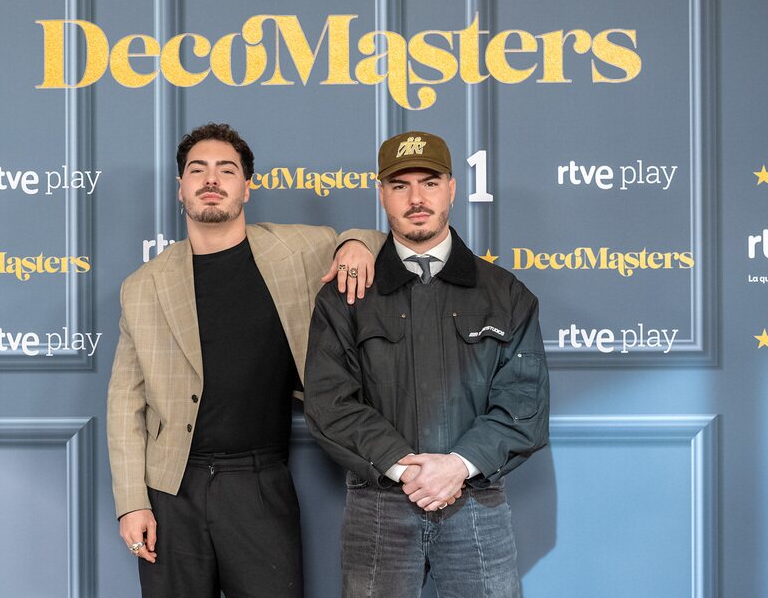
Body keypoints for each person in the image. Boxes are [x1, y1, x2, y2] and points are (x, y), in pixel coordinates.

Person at [107, 122, 382, 598]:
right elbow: (124, 404)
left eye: (226, 170)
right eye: (198, 170)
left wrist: (355, 245)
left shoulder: (295, 250)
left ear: (247, 187)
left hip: (261, 482)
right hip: (171, 490)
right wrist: (132, 502)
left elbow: (372, 238)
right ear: (181, 187)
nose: (211, 179)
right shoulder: (143, 286)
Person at [304, 131, 550, 597]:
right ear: (382, 194)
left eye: (430, 183)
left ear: (452, 189)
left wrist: (458, 466)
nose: (416, 198)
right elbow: (329, 401)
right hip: (378, 506)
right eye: (400, 186)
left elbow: (524, 402)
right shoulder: (346, 296)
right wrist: (406, 469)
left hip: (475, 502)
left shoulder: (506, 294)